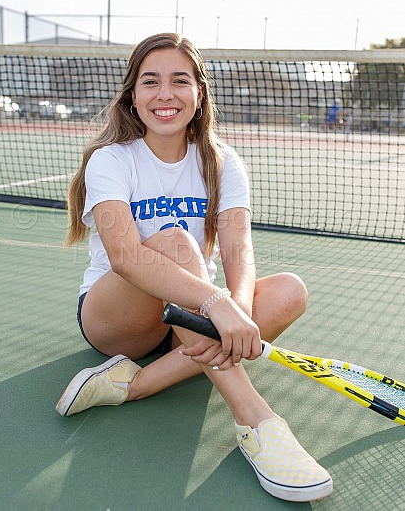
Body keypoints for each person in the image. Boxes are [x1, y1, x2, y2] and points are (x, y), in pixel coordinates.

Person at [56, 33, 332, 503]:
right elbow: (125, 256)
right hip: (119, 317)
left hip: (192, 315)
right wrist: (217, 303)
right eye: (151, 82)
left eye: (179, 80)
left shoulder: (222, 163)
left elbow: (237, 250)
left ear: (199, 93)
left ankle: (134, 384)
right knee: (175, 243)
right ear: (133, 96)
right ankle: (257, 422)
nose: (165, 94)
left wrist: (238, 308)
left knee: (289, 291)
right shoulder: (111, 160)